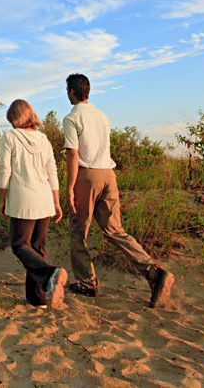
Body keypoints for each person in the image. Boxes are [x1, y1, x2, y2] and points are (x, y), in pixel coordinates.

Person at [63, 73, 174, 307]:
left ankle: (87, 283)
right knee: (114, 230)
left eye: (68, 90)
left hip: (88, 176)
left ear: (72, 92)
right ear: (87, 91)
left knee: (78, 230)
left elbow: (73, 154)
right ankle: (153, 272)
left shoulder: (72, 118)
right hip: (109, 175)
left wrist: (70, 188)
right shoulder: (102, 116)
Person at [0, 99, 67, 309]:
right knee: (37, 247)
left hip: (23, 199)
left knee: (20, 245)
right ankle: (37, 299)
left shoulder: (9, 137)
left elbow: (5, 170)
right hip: (45, 197)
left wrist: (2, 199)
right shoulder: (43, 139)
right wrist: (56, 201)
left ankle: (50, 274)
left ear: (15, 118)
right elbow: (52, 171)